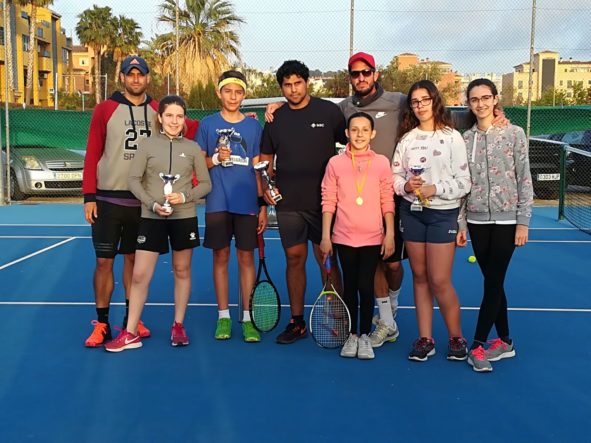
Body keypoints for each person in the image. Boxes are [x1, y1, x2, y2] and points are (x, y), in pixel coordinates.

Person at [104, 95, 211, 352]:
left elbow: (206, 184)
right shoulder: (147, 145)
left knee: (182, 270)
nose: (174, 121)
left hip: (184, 217)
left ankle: (178, 325)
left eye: (179, 116)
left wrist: (184, 197)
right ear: (160, 118)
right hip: (152, 217)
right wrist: (152, 204)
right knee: (140, 275)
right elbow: (133, 180)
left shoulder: (193, 148)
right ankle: (130, 332)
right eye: (169, 115)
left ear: (184, 119)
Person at [260, 59, 347, 344]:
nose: (293, 89)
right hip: (289, 204)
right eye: (287, 85)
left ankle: (339, 319)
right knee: (294, 259)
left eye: (298, 83)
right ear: (281, 88)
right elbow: (265, 160)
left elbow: (352, 145)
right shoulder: (275, 119)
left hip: (325, 203)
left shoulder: (329, 111)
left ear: (306, 83)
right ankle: (296, 322)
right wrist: (266, 189)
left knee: (327, 259)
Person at [457, 78, 533, 372]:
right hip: (476, 220)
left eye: (485, 97)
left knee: (492, 282)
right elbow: (464, 185)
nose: (481, 104)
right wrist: (462, 223)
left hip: (506, 219)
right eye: (474, 99)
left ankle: (477, 345)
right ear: (468, 104)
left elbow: (523, 177)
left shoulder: (514, 133)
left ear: (495, 99)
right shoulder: (465, 139)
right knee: (494, 282)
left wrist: (523, 222)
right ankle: (505, 341)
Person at [392, 80, 471, 362]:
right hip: (412, 214)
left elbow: (464, 182)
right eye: (415, 102)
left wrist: (435, 189)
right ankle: (425, 339)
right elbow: (395, 177)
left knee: (439, 279)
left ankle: (456, 337)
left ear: (434, 101)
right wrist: (407, 186)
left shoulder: (452, 137)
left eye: (424, 100)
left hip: (442, 215)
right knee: (420, 277)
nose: (420, 106)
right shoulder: (407, 139)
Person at [196, 70, 267, 342]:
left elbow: (258, 167)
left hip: (247, 202)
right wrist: (215, 158)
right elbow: (198, 163)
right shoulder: (207, 124)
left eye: (238, 92)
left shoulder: (254, 127)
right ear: (219, 93)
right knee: (221, 257)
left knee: (246, 258)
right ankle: (223, 316)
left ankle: (247, 318)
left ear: (244, 95)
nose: (233, 97)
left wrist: (262, 204)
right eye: (228, 91)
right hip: (217, 202)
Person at [320, 112, 395, 359]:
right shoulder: (335, 163)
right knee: (350, 286)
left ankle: (364, 336)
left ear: (373, 134)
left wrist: (390, 234)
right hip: (343, 237)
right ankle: (352, 335)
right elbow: (328, 200)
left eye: (364, 130)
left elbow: (387, 200)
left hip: (372, 238)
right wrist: (326, 236)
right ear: (347, 133)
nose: (359, 134)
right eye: (354, 129)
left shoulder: (381, 163)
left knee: (366, 286)